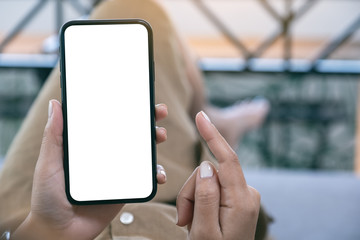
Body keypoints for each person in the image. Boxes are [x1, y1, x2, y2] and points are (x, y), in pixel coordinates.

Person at [0, 0, 271, 239]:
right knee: (136, 11)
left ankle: (215, 116)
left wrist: (45, 231)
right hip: (175, 210)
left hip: (30, 216)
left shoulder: (43, 220)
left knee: (128, 9)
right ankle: (214, 116)